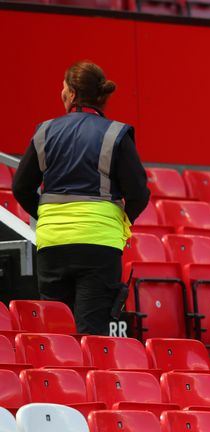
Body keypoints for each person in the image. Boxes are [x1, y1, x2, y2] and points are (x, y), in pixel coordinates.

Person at [12, 60, 150, 336]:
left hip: (53, 243)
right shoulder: (115, 134)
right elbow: (138, 192)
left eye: (63, 88)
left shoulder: (44, 132)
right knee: (92, 334)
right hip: (99, 244)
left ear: (72, 93)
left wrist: (47, 216)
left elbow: (20, 187)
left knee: (57, 333)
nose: (61, 93)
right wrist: (122, 218)